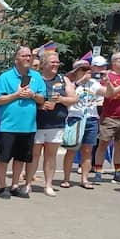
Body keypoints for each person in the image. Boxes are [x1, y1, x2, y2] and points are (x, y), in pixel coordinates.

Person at [0, 45, 46, 198]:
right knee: (4, 158)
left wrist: (33, 95)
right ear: (16, 59)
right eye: (23, 56)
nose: (27, 58)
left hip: (28, 127)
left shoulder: (36, 77)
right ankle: (3, 187)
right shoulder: (5, 77)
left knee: (21, 158)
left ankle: (15, 185)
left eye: (29, 56)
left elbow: (43, 99)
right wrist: (16, 95)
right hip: (8, 126)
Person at [24, 49, 75, 196]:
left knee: (51, 155)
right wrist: (40, 105)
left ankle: (48, 185)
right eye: (53, 62)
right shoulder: (36, 78)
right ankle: (28, 184)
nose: (56, 64)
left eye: (57, 62)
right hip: (36, 123)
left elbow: (73, 98)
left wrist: (60, 100)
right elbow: (26, 95)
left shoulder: (63, 79)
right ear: (44, 64)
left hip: (56, 124)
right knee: (34, 155)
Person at [92, 51, 120, 184]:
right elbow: (109, 94)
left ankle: (118, 173)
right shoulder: (107, 76)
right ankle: (98, 172)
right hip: (109, 116)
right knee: (103, 144)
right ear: (114, 62)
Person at [61, 59, 103, 189]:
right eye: (83, 70)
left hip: (91, 119)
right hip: (75, 118)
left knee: (87, 150)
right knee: (71, 150)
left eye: (88, 70)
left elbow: (108, 93)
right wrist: (81, 81)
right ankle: (66, 179)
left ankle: (84, 179)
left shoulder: (94, 84)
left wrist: (108, 81)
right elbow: (68, 94)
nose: (87, 72)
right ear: (77, 71)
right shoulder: (71, 83)